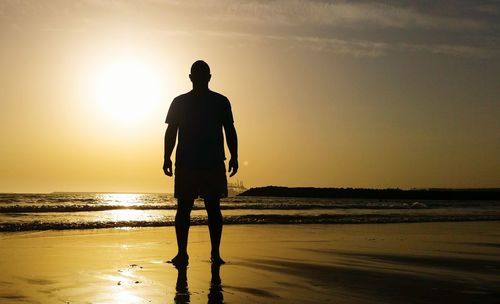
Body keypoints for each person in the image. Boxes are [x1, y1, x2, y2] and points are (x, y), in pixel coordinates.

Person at [163, 60, 238, 266]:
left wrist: (235, 155)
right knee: (194, 208)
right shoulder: (182, 102)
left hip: (208, 161)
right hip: (191, 161)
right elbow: (171, 131)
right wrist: (166, 157)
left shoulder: (219, 101)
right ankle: (187, 253)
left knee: (204, 208)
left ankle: (207, 253)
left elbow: (229, 130)